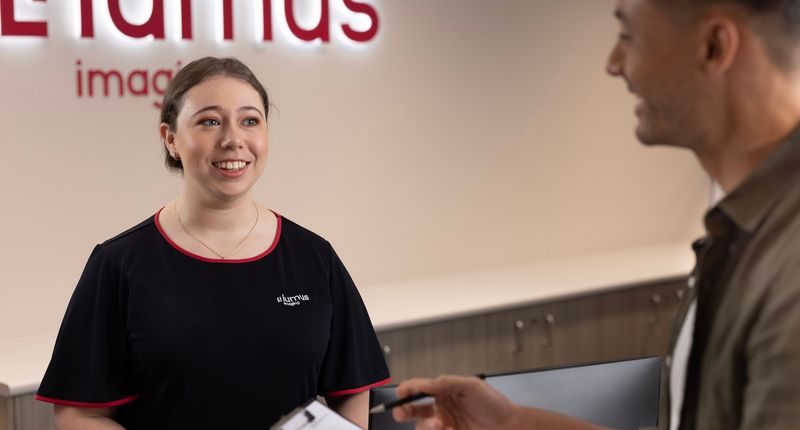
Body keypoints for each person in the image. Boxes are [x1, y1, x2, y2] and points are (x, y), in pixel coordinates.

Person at [394, 0, 800, 429]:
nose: (614, 64)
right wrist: (511, 421)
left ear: (714, 46)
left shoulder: (787, 264)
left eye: (629, 37)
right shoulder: (743, 235)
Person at [35, 57, 390, 429]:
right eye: (210, 121)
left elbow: (351, 389)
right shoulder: (119, 264)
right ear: (170, 139)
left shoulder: (315, 257)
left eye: (250, 120)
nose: (233, 139)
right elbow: (79, 412)